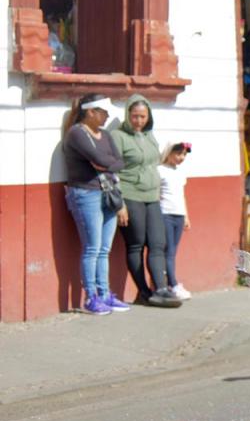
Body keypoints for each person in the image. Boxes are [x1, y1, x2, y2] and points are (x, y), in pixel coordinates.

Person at [62, 94, 131, 315]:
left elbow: (118, 162)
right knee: (92, 248)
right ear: (90, 112)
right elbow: (102, 160)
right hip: (86, 194)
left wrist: (106, 164)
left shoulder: (106, 135)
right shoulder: (76, 133)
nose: (107, 116)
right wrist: (106, 163)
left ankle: (105, 294)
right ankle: (91, 298)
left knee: (104, 249)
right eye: (104, 112)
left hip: (108, 193)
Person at [111, 94, 181, 308]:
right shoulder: (118, 136)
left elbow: (154, 162)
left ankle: (160, 289)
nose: (139, 121)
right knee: (136, 244)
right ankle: (143, 291)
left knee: (158, 243)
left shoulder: (150, 135)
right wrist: (120, 203)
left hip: (152, 196)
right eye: (135, 116)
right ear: (127, 115)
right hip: (130, 194)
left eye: (143, 116)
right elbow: (112, 171)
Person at [159, 142, 192, 301]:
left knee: (172, 251)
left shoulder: (180, 173)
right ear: (169, 153)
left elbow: (181, 195)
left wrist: (186, 216)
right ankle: (173, 284)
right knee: (169, 250)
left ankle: (169, 283)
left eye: (184, 154)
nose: (181, 158)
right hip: (165, 214)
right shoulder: (160, 170)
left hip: (179, 215)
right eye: (178, 154)